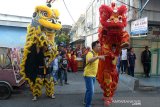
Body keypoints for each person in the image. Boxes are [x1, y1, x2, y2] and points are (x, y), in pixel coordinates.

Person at [83, 40, 105, 107]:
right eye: (98, 46)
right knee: (91, 91)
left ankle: (85, 101)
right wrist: (98, 57)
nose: (99, 47)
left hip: (93, 75)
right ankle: (88, 105)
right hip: (88, 75)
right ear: (94, 47)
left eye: (100, 46)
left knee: (88, 90)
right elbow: (89, 60)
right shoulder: (90, 53)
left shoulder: (96, 54)